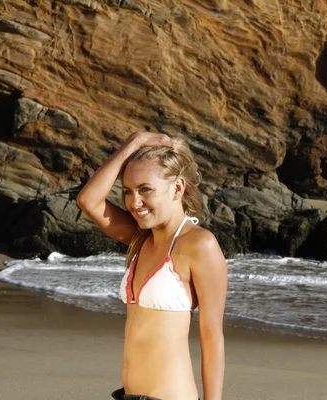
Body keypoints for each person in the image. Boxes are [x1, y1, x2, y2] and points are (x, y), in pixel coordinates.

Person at [77, 130, 227, 400]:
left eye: (145, 189)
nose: (135, 203)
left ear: (178, 188)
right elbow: (89, 200)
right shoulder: (140, 239)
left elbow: (212, 335)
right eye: (127, 192)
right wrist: (131, 144)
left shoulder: (199, 245)